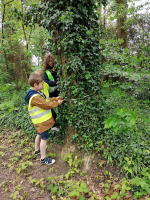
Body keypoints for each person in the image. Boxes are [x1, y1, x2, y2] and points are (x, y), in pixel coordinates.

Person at [24, 74, 63, 165]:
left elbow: (45, 100)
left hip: (39, 123)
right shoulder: (35, 97)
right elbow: (46, 105)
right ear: (35, 85)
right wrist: (57, 103)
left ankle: (37, 150)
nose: (43, 86)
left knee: (39, 135)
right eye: (42, 84)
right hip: (41, 122)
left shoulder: (35, 93)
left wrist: (55, 99)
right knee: (44, 139)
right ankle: (43, 158)